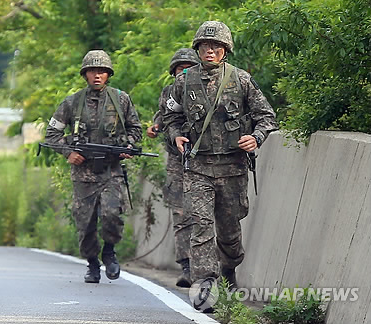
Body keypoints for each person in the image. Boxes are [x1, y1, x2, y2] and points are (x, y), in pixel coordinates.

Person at [163, 21, 278, 289]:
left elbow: (267, 117)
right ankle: (205, 283)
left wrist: (256, 138)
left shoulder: (241, 80)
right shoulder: (183, 81)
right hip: (198, 167)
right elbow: (171, 117)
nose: (210, 51)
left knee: (229, 232)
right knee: (201, 226)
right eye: (205, 45)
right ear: (198, 49)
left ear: (225, 50)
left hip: (232, 167)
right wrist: (175, 134)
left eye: (216, 46)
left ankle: (229, 267)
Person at [45, 50, 142, 283]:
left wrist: (127, 146)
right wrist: (69, 152)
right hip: (83, 174)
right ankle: (92, 264)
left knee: (111, 214)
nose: (97, 75)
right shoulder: (72, 102)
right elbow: (52, 134)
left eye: (101, 71)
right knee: (85, 222)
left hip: (112, 171)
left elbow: (135, 130)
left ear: (108, 74)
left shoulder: (121, 100)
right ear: (85, 74)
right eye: (92, 71)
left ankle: (109, 251)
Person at [147, 48, 200, 288]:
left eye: (189, 68)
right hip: (177, 161)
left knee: (204, 215)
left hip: (204, 160)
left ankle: (208, 268)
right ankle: (187, 266)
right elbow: (163, 116)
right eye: (180, 69)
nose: (184, 72)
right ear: (173, 72)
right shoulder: (169, 93)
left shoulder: (207, 89)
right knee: (180, 214)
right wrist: (155, 127)